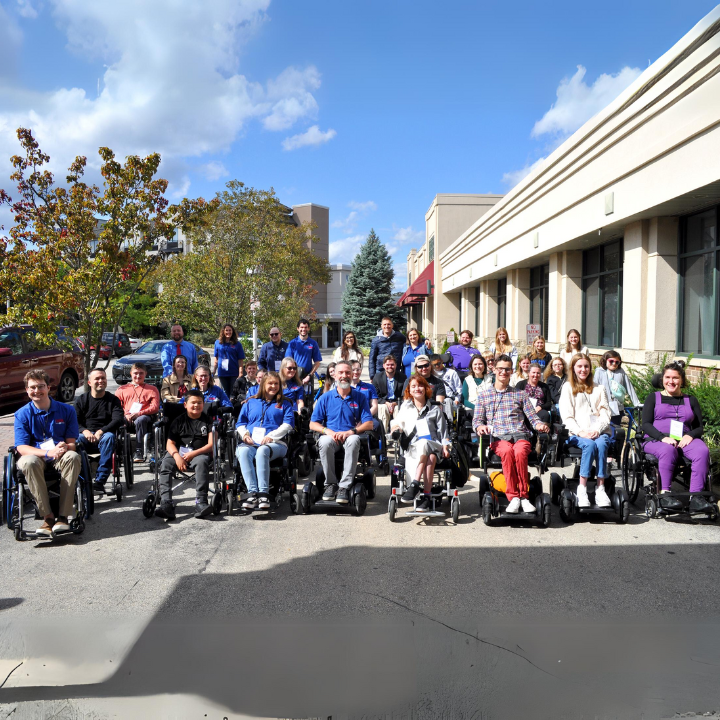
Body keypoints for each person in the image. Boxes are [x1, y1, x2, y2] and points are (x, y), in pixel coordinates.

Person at [472, 354, 549, 514]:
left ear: (512, 371)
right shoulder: (484, 395)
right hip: (499, 438)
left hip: (520, 436)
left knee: (520, 452)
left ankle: (523, 497)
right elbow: (477, 421)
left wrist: (540, 425)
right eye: (500, 369)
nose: (504, 372)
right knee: (507, 451)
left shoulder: (520, 394)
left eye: (507, 369)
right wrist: (480, 428)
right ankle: (513, 496)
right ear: (494, 369)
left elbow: (533, 419)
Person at [14, 370, 81, 536]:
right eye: (32, 387)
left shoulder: (67, 410)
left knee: (73, 457)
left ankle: (63, 517)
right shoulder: (22, 414)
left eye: (41, 386)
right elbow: (21, 447)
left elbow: (72, 443)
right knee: (27, 461)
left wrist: (65, 447)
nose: (37, 391)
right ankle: (48, 517)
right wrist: (48, 452)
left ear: (48, 388)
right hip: (36, 456)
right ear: (27, 390)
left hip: (61, 453)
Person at [641, 360, 712, 511]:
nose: (671, 381)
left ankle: (696, 497)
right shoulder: (653, 398)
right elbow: (646, 424)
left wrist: (691, 435)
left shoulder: (690, 400)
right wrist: (662, 438)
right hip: (656, 440)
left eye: (675, 378)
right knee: (668, 449)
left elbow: (699, 427)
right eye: (667, 377)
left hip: (684, 439)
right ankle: (666, 494)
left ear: (682, 380)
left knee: (702, 450)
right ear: (662, 379)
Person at [309, 361, 374, 504]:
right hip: (332, 437)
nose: (344, 376)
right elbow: (313, 424)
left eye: (347, 372)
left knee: (354, 440)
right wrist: (328, 432)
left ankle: (344, 486)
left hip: (350, 436)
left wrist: (351, 431)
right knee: (324, 441)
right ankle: (331, 484)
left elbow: (369, 423)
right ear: (335, 375)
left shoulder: (360, 397)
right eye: (341, 373)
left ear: (352, 375)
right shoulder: (325, 397)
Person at [558, 353, 613, 508]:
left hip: (598, 431)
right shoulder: (568, 388)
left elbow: (605, 413)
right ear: (573, 368)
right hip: (578, 433)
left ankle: (600, 487)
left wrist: (596, 429)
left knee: (602, 444)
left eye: (586, 366)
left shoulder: (599, 388)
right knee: (589, 445)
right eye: (579, 366)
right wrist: (581, 432)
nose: (583, 369)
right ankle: (582, 488)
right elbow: (567, 416)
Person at [391, 375, 451, 512]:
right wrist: (395, 428)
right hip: (414, 449)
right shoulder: (406, 408)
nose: (417, 388)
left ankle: (415, 484)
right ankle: (427, 497)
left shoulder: (435, 410)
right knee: (430, 458)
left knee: (424, 443)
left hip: (434, 445)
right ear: (409, 391)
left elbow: (444, 433)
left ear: (426, 388)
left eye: (420, 385)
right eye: (413, 386)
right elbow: (396, 423)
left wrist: (446, 446)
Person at [236, 372, 295, 510]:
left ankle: (263, 494)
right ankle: (252, 494)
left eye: (276, 384)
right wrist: (244, 435)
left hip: (276, 444)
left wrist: (272, 437)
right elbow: (240, 423)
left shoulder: (285, 403)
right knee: (243, 451)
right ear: (263, 384)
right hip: (251, 443)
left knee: (262, 450)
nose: (273, 386)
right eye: (270, 383)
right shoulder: (250, 402)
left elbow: (288, 424)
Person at [155, 389, 214, 521]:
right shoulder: (178, 421)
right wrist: (177, 457)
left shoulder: (208, 421)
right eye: (193, 403)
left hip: (199, 453)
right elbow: (169, 444)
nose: (196, 405)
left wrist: (194, 453)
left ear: (203, 404)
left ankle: (201, 502)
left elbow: (211, 445)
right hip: (179, 453)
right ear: (185, 404)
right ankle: (166, 503)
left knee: (201, 462)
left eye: (199, 403)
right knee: (166, 463)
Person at [75, 368, 124, 491]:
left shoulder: (113, 400)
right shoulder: (82, 400)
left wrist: (101, 431)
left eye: (103, 378)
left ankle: (100, 480)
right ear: (90, 382)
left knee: (110, 437)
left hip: (105, 434)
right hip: (85, 435)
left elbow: (117, 420)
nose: (100, 381)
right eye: (97, 378)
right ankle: (82, 479)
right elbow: (74, 420)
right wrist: (85, 431)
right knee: (75, 441)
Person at [116, 363, 161, 462]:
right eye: (135, 373)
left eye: (141, 373)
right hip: (127, 418)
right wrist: (126, 414)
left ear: (145, 374)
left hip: (145, 419)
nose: (138, 376)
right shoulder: (122, 389)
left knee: (141, 419)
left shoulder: (152, 389)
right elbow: (117, 407)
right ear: (131, 373)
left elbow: (155, 407)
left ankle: (138, 450)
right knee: (116, 420)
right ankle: (118, 450)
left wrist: (139, 413)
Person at [593, 351, 639, 423]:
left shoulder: (621, 372)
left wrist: (637, 403)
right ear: (605, 360)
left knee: (615, 429)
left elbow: (629, 387)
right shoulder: (599, 371)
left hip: (617, 408)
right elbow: (595, 390)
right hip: (603, 408)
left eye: (617, 362)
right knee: (603, 429)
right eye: (611, 361)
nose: (614, 363)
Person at [372, 355, 406, 431]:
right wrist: (386, 403)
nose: (390, 366)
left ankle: (397, 435)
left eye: (392, 364)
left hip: (397, 402)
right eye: (388, 365)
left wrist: (394, 403)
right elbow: (375, 395)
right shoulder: (377, 377)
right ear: (384, 366)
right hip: (383, 402)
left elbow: (404, 395)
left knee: (398, 409)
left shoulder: (402, 377)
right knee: (383, 409)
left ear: (396, 365)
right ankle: (383, 435)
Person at [285, 319, 321, 385]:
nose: (303, 329)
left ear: (308, 329)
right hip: (294, 377)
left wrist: (309, 376)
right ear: (298, 329)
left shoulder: (313, 343)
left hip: (307, 377)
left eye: (305, 327)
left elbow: (317, 363)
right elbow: (288, 361)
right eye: (301, 327)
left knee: (308, 395)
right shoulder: (292, 343)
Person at [212, 324, 246, 396]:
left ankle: (232, 406)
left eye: (230, 330)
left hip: (234, 372)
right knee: (224, 392)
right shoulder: (217, 343)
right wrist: (214, 371)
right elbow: (216, 358)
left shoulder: (237, 344)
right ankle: (226, 406)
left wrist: (241, 373)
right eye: (226, 330)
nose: (228, 332)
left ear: (232, 331)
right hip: (222, 372)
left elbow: (240, 360)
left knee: (233, 392)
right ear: (223, 332)